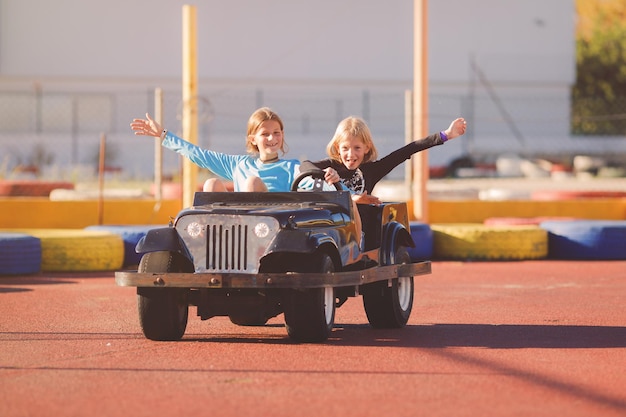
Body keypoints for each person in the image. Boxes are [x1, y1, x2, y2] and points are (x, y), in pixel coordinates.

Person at [130, 107, 340, 192]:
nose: (272, 138)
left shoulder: (292, 167)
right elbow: (199, 155)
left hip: (274, 230)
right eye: (265, 134)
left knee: (252, 182)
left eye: (276, 133)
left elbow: (316, 186)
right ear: (253, 139)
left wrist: (337, 184)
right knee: (211, 183)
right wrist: (164, 135)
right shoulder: (240, 164)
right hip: (237, 226)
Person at [311, 116, 467, 205]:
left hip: (360, 230)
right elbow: (304, 166)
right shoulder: (331, 165)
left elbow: (408, 149)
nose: (350, 154)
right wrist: (324, 172)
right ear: (338, 148)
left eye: (357, 148)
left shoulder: (373, 170)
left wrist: (446, 135)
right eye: (345, 148)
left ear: (367, 148)